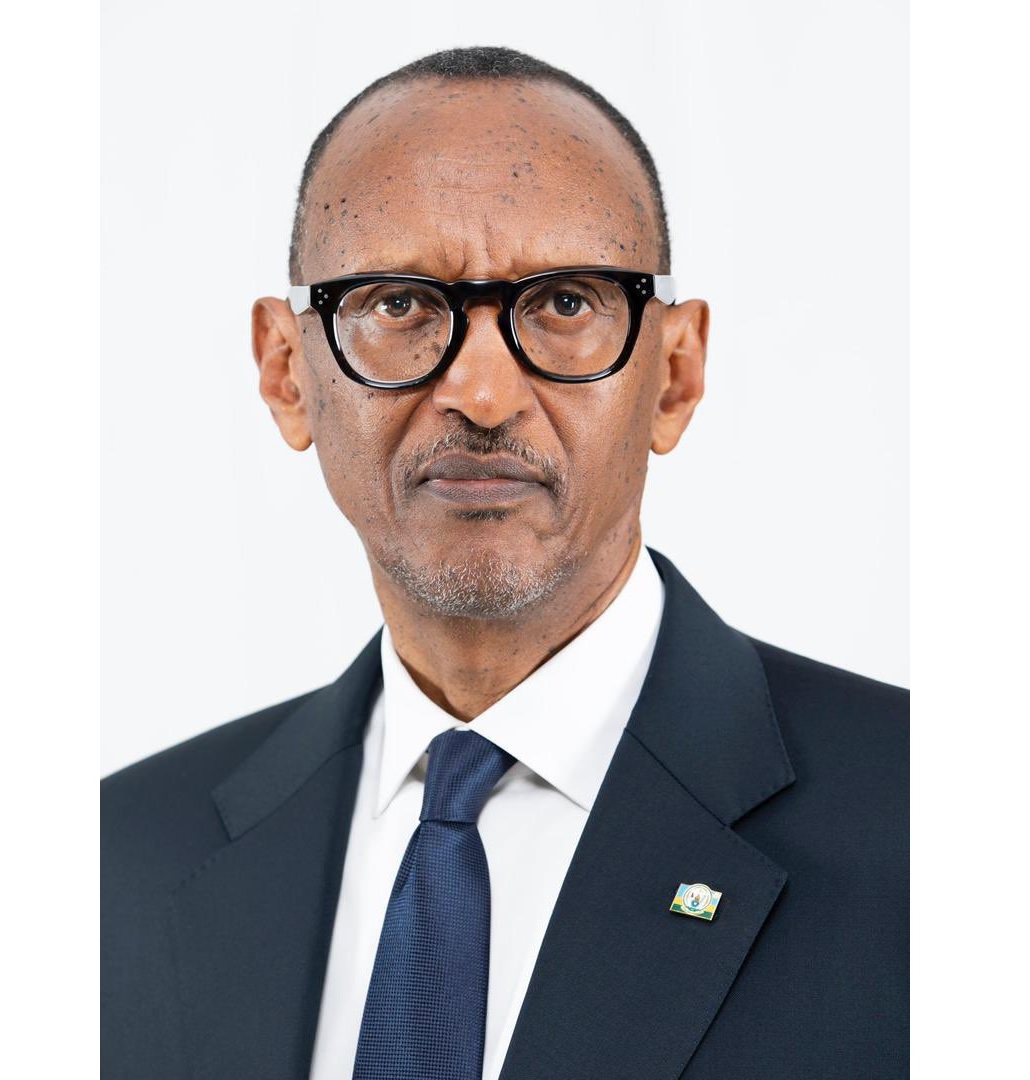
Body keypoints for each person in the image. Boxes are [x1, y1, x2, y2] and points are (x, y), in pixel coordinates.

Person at [102, 46, 907, 1080]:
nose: (482, 393)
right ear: (287, 373)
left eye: (566, 303)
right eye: (398, 305)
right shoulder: (118, 862)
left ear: (674, 376)